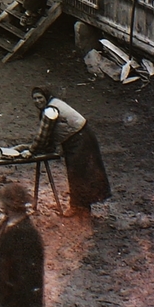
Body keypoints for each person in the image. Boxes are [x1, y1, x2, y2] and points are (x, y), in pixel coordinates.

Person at [30, 86, 111, 214]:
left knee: (79, 174)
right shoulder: (54, 104)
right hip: (79, 138)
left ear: (46, 97)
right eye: (34, 99)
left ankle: (79, 208)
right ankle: (82, 207)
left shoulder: (51, 110)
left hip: (80, 140)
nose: (37, 101)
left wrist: (31, 151)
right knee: (79, 174)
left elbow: (43, 136)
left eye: (40, 97)